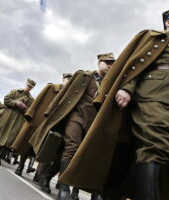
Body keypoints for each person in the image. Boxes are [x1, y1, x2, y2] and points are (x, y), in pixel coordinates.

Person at [60, 3, 169, 200]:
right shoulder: (154, 39)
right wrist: (127, 88)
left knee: (162, 157)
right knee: (155, 148)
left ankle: (111, 195)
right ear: (168, 21)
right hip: (154, 100)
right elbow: (135, 65)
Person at [29, 53, 115, 200]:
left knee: (75, 155)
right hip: (75, 117)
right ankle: (64, 189)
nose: (109, 65)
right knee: (71, 148)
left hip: (91, 124)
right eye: (107, 62)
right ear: (99, 62)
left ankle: (46, 177)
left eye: (112, 63)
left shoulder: (109, 84)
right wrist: (50, 111)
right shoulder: (84, 76)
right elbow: (65, 93)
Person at [12, 73, 72, 178]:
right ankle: (20, 166)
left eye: (71, 79)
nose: (69, 81)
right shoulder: (51, 87)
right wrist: (30, 114)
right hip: (37, 121)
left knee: (44, 149)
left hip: (51, 125)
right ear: (63, 79)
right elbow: (38, 100)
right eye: (67, 78)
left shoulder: (70, 96)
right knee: (27, 145)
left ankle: (37, 174)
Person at [0, 79, 35, 165]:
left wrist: (24, 108)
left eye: (31, 87)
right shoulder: (15, 91)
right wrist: (16, 103)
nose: (29, 88)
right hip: (7, 116)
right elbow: (6, 100)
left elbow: (29, 111)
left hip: (18, 120)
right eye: (28, 86)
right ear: (26, 84)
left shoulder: (31, 99)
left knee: (9, 139)